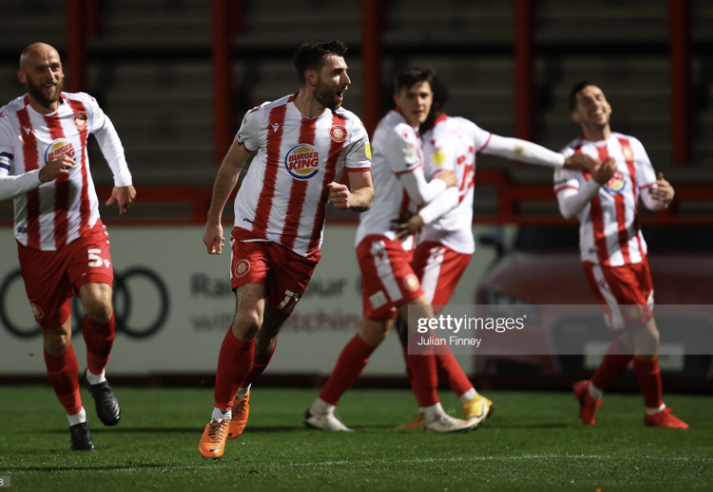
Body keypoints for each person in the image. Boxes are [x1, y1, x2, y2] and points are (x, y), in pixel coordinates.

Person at [199, 39, 374, 459]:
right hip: (254, 231)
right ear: (312, 77)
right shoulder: (265, 117)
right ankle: (219, 418)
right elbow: (232, 165)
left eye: (347, 72)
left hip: (302, 247)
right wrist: (213, 220)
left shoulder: (350, 127)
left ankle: (243, 389)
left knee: (267, 334)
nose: (347, 80)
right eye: (338, 73)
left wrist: (353, 200)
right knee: (249, 319)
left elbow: (367, 191)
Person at [394, 77, 598, 429]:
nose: (413, 107)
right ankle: (430, 406)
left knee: (417, 322)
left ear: (431, 104)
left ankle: (465, 400)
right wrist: (561, 160)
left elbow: (443, 184)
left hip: (442, 237)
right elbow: (512, 148)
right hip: (440, 236)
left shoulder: (434, 139)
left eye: (419, 98)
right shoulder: (462, 128)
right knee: (406, 322)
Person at [305, 68, 483, 433]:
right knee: (420, 314)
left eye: (425, 96)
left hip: (391, 242)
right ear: (397, 97)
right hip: (382, 243)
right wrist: (447, 180)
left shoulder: (407, 132)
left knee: (375, 330)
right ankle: (433, 412)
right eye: (412, 95)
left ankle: (321, 410)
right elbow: (420, 194)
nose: (419, 102)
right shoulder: (400, 133)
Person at [0, 43, 135, 451]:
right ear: (23, 76)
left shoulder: (82, 105)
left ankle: (98, 378)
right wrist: (41, 174)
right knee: (57, 339)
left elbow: (106, 130)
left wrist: (121, 177)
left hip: (84, 228)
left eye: (55, 68)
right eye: (39, 70)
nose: (49, 76)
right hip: (36, 243)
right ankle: (77, 421)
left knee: (101, 305)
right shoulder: (8, 120)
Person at [555, 82, 687, 429]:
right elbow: (568, 208)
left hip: (637, 253)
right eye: (585, 101)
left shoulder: (631, 146)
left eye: (598, 98)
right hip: (604, 259)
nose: (594, 104)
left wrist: (666, 195)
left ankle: (591, 390)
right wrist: (595, 181)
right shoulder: (569, 156)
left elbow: (650, 199)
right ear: (575, 114)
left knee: (633, 336)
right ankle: (654, 410)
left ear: (609, 106)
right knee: (648, 335)